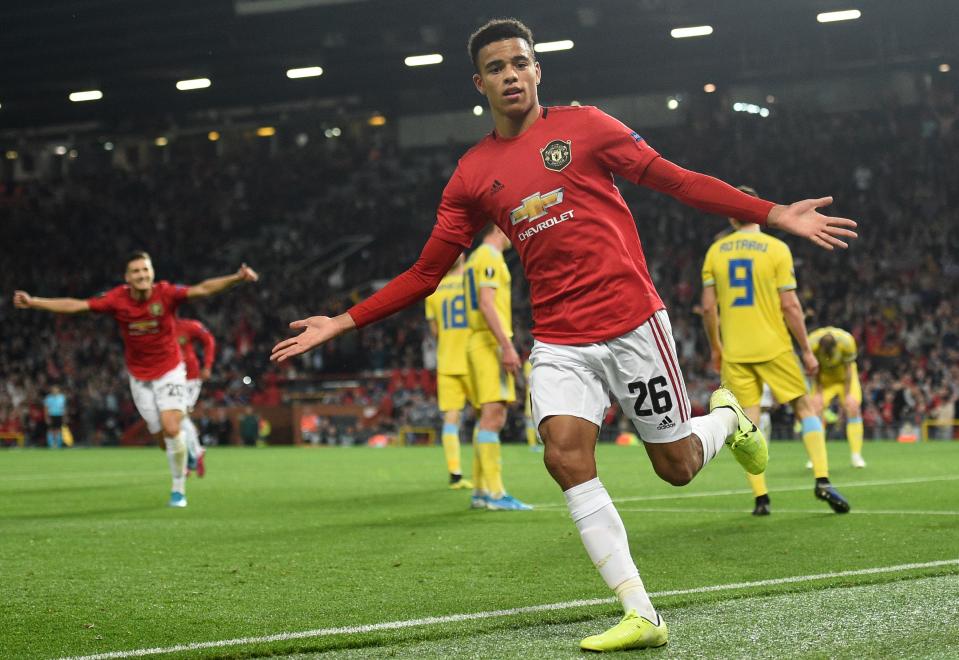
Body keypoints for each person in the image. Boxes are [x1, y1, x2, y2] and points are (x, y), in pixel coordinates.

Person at [271, 19, 856, 652]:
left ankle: (728, 417)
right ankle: (641, 612)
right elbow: (425, 273)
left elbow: (675, 179)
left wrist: (769, 212)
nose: (511, 75)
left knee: (678, 467)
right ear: (480, 83)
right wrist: (342, 320)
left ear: (538, 69)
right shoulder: (471, 174)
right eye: (496, 68)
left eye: (520, 63)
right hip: (559, 341)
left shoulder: (587, 126)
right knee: (563, 455)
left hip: (633, 324)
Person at [14, 251, 258, 507]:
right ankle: (184, 451)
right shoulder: (117, 299)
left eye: (146, 270)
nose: (142, 275)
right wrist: (34, 302)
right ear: (127, 277)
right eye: (136, 271)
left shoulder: (165, 293)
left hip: (171, 370)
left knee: (172, 426)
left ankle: (178, 490)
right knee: (164, 441)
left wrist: (236, 278)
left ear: (152, 273)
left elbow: (203, 289)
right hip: (139, 377)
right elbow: (77, 306)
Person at [701, 185, 851, 517]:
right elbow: (791, 306)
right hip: (775, 346)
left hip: (736, 352)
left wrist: (716, 347)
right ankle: (823, 480)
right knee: (804, 408)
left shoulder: (715, 252)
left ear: (730, 214)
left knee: (747, 424)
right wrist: (806, 351)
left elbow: (709, 309)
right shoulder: (776, 248)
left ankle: (761, 498)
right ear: (756, 209)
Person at [463, 225, 530, 510]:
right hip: (489, 344)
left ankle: (480, 491)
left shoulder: (475, 259)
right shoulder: (489, 256)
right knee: (495, 416)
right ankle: (495, 493)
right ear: (499, 228)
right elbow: (487, 303)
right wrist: (506, 344)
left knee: (486, 419)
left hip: (476, 341)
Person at [423, 255, 475, 490]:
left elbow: (435, 332)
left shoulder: (434, 290)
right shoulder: (472, 280)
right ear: (462, 256)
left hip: (447, 361)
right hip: (473, 358)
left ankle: (455, 473)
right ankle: (486, 477)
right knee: (488, 416)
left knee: (451, 419)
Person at [809, 326, 866, 468]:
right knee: (815, 410)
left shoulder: (847, 342)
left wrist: (847, 395)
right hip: (824, 379)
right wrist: (818, 393)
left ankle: (856, 456)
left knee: (852, 407)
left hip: (844, 379)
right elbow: (814, 370)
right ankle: (815, 457)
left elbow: (848, 370)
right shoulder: (811, 343)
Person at [176, 316, 216, 477]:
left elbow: (209, 340)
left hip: (190, 379)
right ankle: (195, 454)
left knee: (179, 416)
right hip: (168, 379)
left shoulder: (189, 326)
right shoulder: (158, 328)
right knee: (173, 420)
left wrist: (207, 365)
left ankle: (189, 460)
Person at [43, 385, 67, 449]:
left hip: (59, 415)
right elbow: (46, 409)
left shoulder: (62, 397)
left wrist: (64, 417)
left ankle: (58, 444)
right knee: (51, 430)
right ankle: (51, 444)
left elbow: (63, 408)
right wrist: (46, 417)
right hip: (51, 415)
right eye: (53, 389)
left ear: (58, 390)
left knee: (58, 430)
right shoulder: (48, 398)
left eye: (56, 389)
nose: (55, 391)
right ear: (51, 390)